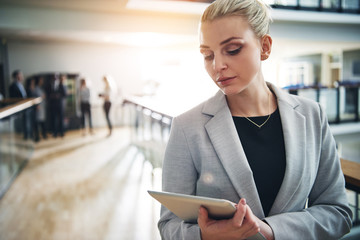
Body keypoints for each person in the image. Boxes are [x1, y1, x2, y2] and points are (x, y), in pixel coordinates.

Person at [158, 1, 352, 240]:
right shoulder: (187, 128)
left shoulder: (313, 115)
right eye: (208, 55)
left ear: (264, 46)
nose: (218, 66)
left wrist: (271, 231)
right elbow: (168, 225)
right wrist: (206, 237)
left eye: (232, 50)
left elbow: (337, 212)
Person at [48, 74, 67, 138]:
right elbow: (48, 95)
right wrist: (52, 96)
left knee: (61, 119)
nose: (55, 78)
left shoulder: (61, 85)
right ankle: (55, 133)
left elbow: (64, 94)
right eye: (54, 77)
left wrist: (59, 96)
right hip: (53, 105)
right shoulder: (50, 85)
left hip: (60, 105)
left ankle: (61, 132)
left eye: (56, 77)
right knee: (54, 119)